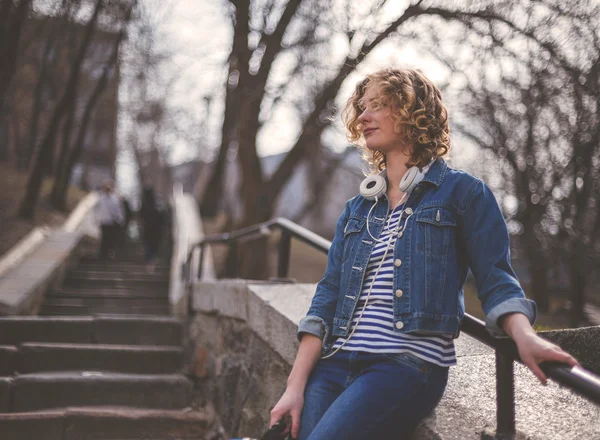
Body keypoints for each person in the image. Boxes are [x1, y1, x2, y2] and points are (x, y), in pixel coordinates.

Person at [269, 68, 579, 440]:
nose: (363, 116)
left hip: (403, 366)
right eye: (362, 108)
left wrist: (524, 335)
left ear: (413, 111)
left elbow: (495, 277)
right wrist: (294, 386)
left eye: (378, 105)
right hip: (334, 363)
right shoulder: (358, 209)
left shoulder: (463, 194)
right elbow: (328, 296)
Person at [94, 179, 124, 260]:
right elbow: (96, 210)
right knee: (105, 238)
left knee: (109, 238)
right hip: (105, 221)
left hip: (109, 222)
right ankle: (104, 253)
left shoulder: (112, 199)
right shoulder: (101, 198)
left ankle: (106, 253)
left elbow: (117, 210)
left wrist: (119, 219)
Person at [140, 186, 164, 268]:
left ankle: (148, 260)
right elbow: (162, 216)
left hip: (147, 229)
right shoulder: (157, 204)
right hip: (156, 230)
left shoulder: (144, 204)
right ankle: (152, 260)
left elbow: (141, 216)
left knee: (148, 245)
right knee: (153, 246)